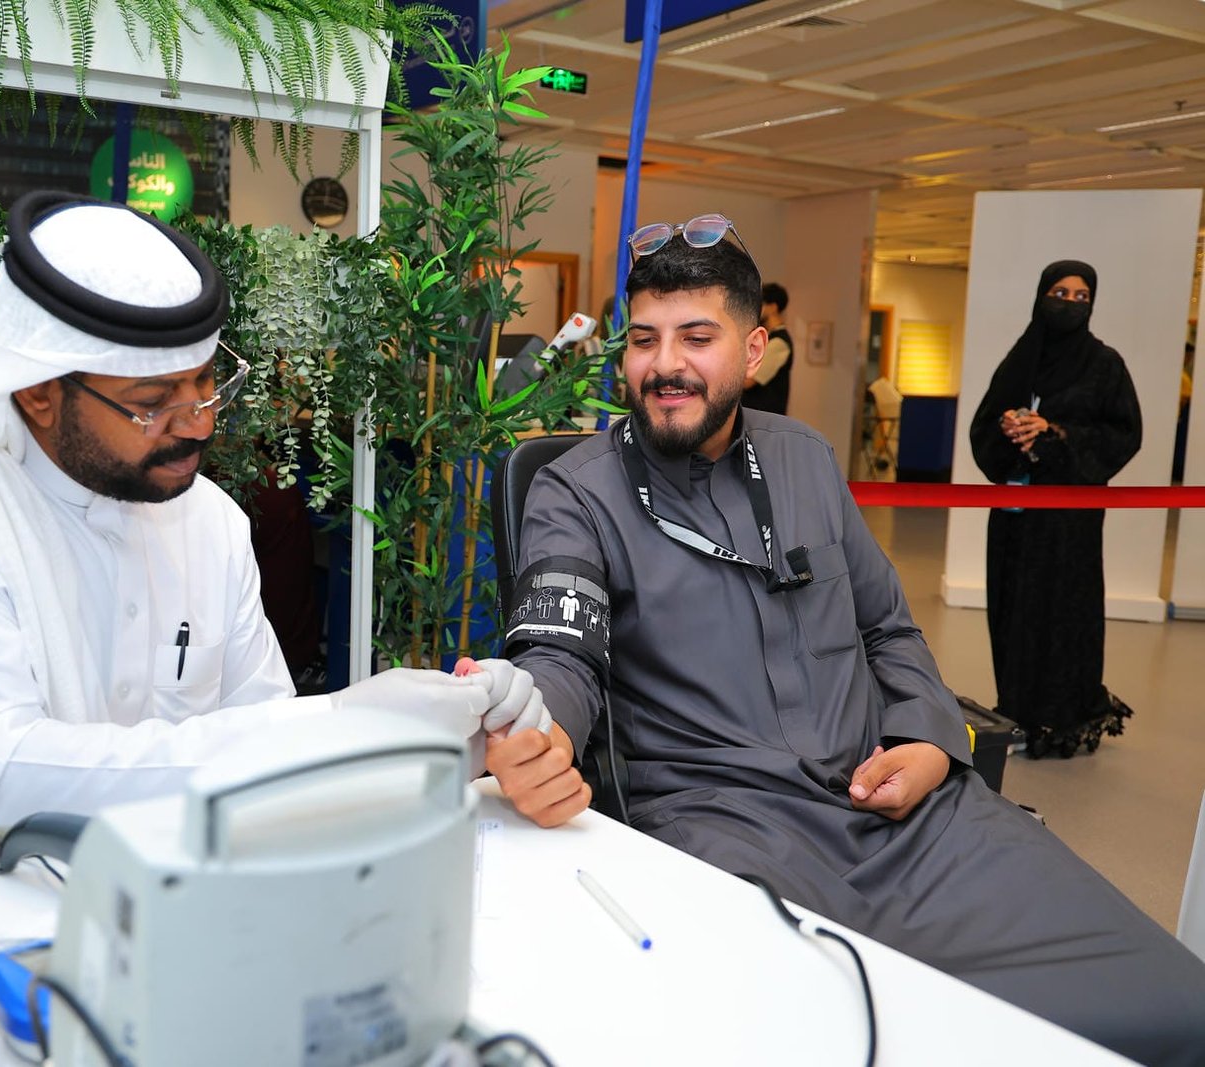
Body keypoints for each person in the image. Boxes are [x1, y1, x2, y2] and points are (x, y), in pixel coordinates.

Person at [486, 221, 1205, 1065]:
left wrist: (931, 741)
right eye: (645, 339)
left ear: (755, 350)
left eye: (697, 337)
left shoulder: (806, 459)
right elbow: (560, 659)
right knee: (851, 1038)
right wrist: (540, 733)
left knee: (1172, 1006)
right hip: (730, 832)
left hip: (906, 815)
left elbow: (887, 625)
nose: (665, 364)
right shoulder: (575, 492)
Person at [0, 193, 511, 889]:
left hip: (168, 895)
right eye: (152, 403)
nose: (199, 423)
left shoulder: (208, 520)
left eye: (206, 383)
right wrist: (338, 727)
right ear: (38, 391)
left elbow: (262, 742)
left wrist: (461, 734)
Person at [969, 261, 1141, 759]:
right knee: (1012, 611)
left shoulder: (1104, 364)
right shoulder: (1021, 359)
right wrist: (1010, 430)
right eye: (1060, 292)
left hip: (1070, 524)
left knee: (1063, 613)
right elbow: (983, 426)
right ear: (1042, 295)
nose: (1069, 303)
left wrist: (1055, 434)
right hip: (1015, 517)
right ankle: (1016, 709)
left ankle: (1063, 715)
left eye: (1081, 296)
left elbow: (1123, 435)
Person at [742, 280, 791, 413]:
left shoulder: (779, 342)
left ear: (773, 307)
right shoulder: (767, 336)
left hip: (764, 418)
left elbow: (749, 380)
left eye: (760, 304)